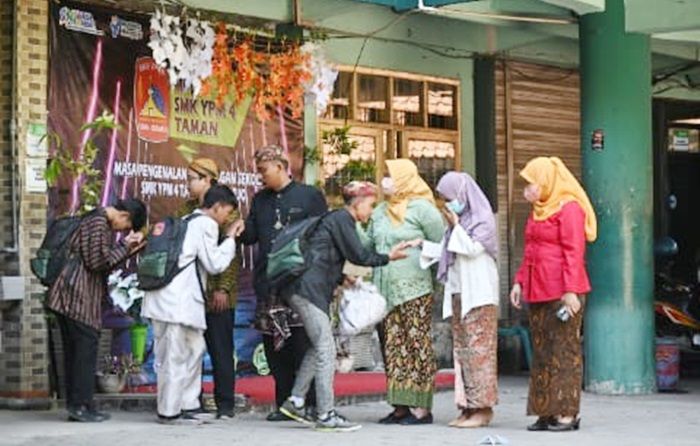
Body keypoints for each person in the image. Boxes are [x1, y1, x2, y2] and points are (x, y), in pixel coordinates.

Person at [279, 181, 410, 433]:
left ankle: (296, 400)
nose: (371, 211)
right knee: (326, 348)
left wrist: (342, 278)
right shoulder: (342, 219)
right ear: (358, 203)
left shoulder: (335, 219)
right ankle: (325, 414)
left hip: (306, 289)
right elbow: (359, 255)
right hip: (308, 291)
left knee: (319, 345)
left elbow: (323, 255)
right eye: (371, 205)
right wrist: (388, 257)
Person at [238, 145, 327, 421]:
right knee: (275, 347)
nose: (260, 176)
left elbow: (323, 235)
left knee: (302, 342)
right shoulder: (260, 199)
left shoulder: (310, 196)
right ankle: (284, 403)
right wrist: (237, 227)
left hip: (300, 283)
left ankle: (309, 403)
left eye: (263, 170)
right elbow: (251, 236)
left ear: (279, 165)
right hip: (269, 284)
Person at [509, 156, 597, 432]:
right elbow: (530, 249)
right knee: (543, 351)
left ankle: (567, 413)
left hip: (562, 290)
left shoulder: (569, 208)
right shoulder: (539, 210)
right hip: (538, 288)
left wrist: (570, 291)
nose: (528, 189)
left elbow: (574, 251)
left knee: (564, 350)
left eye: (532, 183)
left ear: (546, 181)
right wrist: (519, 282)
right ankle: (545, 411)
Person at [141, 185, 239, 426]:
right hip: (179, 303)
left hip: (163, 299)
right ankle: (170, 410)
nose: (227, 218)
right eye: (227, 212)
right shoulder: (206, 224)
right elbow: (214, 263)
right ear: (217, 207)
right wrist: (230, 238)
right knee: (176, 355)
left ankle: (188, 404)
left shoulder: (184, 220)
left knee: (192, 349)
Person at [46, 199, 147, 422]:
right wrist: (125, 247)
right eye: (126, 226)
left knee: (75, 353)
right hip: (76, 297)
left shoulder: (93, 218)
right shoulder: (99, 223)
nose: (122, 231)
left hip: (67, 296)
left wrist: (126, 249)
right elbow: (97, 261)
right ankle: (81, 406)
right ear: (125, 216)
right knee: (84, 350)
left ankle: (79, 405)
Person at [366, 159, 444, 426]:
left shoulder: (423, 209)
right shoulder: (379, 211)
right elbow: (367, 243)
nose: (385, 180)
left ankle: (421, 408)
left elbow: (440, 243)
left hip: (415, 289)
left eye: (390, 176)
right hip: (384, 291)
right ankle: (400, 406)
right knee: (392, 347)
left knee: (416, 345)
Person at [177, 158, 241, 420]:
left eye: (192, 179)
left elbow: (229, 255)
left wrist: (223, 289)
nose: (188, 184)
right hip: (193, 293)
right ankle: (191, 401)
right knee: (191, 349)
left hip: (217, 293)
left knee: (220, 348)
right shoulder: (188, 209)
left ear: (208, 180)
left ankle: (225, 404)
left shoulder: (228, 209)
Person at [435, 171, 499, 428]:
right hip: (461, 294)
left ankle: (482, 409)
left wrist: (456, 226)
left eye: (450, 198)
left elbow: (472, 249)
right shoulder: (459, 222)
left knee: (479, 353)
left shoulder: (483, 220)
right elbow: (447, 252)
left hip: (479, 296)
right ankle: (467, 406)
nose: (448, 204)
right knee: (462, 353)